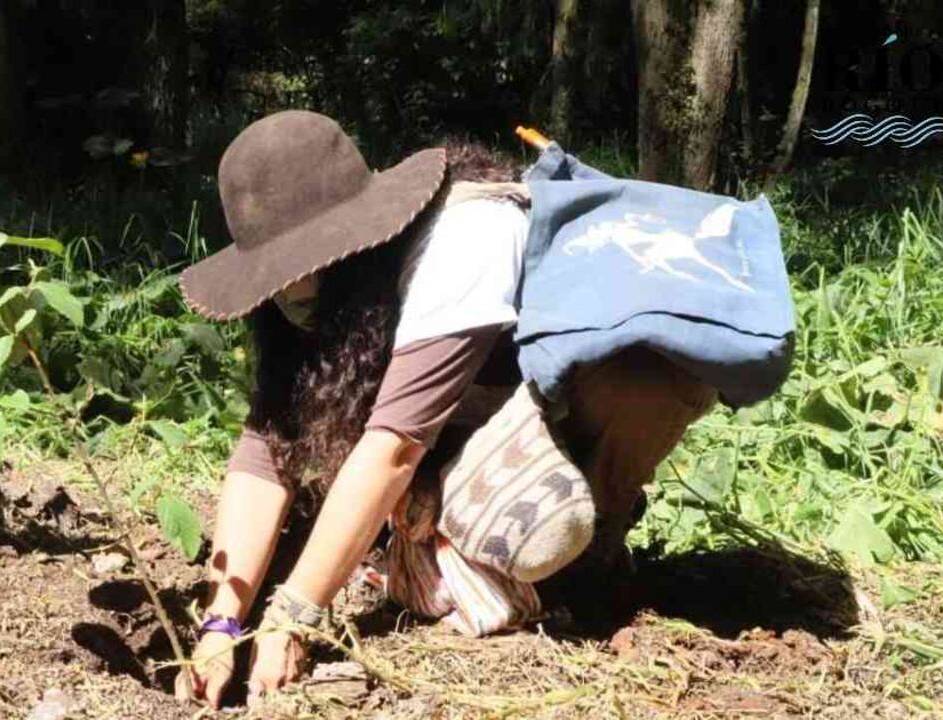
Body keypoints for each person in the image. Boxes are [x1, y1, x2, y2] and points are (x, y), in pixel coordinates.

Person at [174, 110, 719, 708]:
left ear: (350, 241)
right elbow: (266, 449)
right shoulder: (329, 290)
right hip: (477, 414)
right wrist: (221, 622)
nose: (290, 297)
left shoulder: (464, 239)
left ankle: (593, 556)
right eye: (276, 280)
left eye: (303, 273)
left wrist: (294, 612)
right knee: (438, 541)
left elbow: (395, 448)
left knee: (540, 536)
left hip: (600, 390)